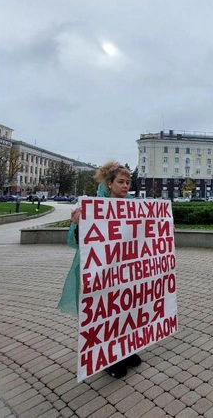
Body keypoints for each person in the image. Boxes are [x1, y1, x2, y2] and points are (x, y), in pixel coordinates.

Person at [57, 161, 141, 378]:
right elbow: (77, 241)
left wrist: (165, 228)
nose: (125, 186)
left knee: (125, 310)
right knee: (106, 313)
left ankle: (126, 349)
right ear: (109, 184)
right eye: (121, 182)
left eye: (128, 182)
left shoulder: (133, 205)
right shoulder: (92, 207)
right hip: (101, 272)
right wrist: (77, 224)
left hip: (125, 270)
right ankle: (108, 358)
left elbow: (145, 234)